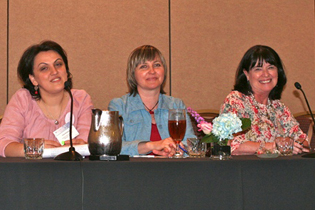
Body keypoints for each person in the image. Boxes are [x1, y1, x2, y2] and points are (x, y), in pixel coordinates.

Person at [0, 40, 93, 157]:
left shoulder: (80, 99)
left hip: (72, 172)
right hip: (32, 172)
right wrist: (35, 149)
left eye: (58, 64)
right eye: (44, 68)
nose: (54, 71)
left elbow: (87, 146)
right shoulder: (23, 99)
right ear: (33, 79)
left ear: (66, 70)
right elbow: (4, 144)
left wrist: (84, 145)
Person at [220, 45, 309, 155]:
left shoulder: (279, 107)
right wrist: (273, 146)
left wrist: (296, 145)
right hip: (246, 168)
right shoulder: (236, 100)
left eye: (271, 67)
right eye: (258, 69)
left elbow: (303, 140)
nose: (266, 74)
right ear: (247, 74)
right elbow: (232, 145)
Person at [108, 45, 196, 157]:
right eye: (144, 66)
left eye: (157, 65)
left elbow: (191, 143)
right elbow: (111, 147)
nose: (152, 71)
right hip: (133, 171)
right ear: (133, 74)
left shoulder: (176, 104)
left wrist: (175, 150)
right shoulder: (119, 106)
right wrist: (152, 145)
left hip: (174, 170)